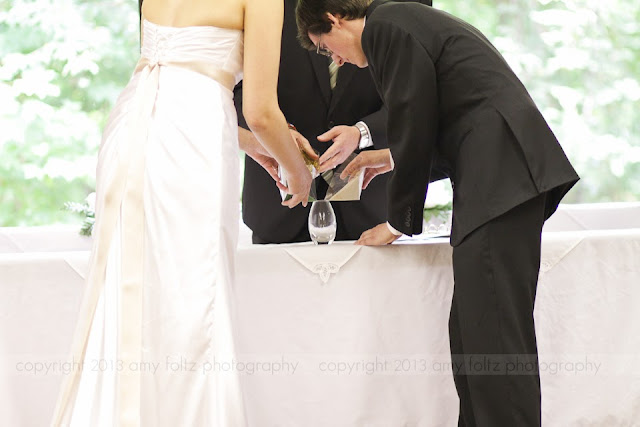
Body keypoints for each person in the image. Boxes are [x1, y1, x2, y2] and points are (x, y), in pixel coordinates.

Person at [296, 0, 580, 426]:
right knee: (472, 337)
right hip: (497, 178)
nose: (333, 57)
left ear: (334, 18)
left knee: (495, 341)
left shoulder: (386, 26)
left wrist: (396, 222)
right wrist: (390, 158)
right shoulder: (399, 23)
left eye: (324, 46)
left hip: (501, 178)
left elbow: (414, 116)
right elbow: (441, 114)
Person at [50, 0, 312, 425]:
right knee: (193, 300)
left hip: (134, 124)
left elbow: (177, 73)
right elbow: (261, 111)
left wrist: (256, 147)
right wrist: (298, 173)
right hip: (193, 140)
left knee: (129, 293)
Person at [235, 0, 432, 244]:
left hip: (371, 206)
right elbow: (235, 88)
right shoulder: (263, 5)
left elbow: (416, 94)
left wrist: (363, 132)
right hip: (278, 207)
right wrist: (278, 133)